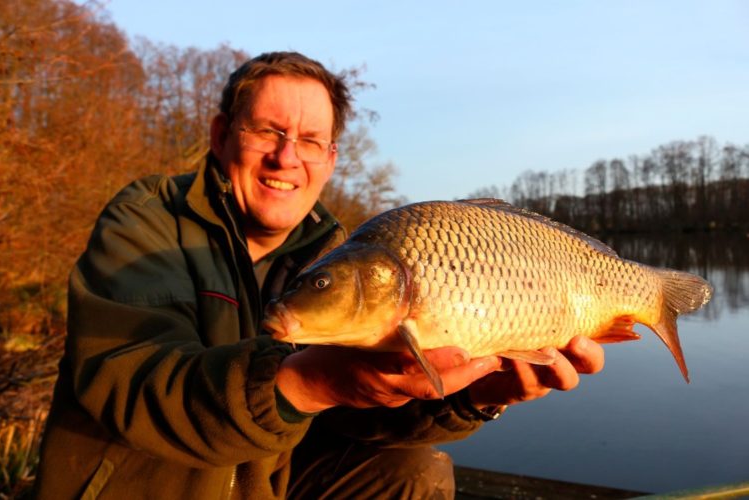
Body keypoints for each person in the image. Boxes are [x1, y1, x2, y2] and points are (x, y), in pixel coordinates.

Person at [35, 51, 606, 499]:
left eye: (310, 141)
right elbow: (135, 386)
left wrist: (473, 396)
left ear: (331, 159)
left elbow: (357, 424)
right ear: (219, 135)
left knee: (413, 471)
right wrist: (312, 381)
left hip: (269, 486)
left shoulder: (339, 252)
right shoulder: (150, 221)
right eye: (267, 131)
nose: (287, 158)